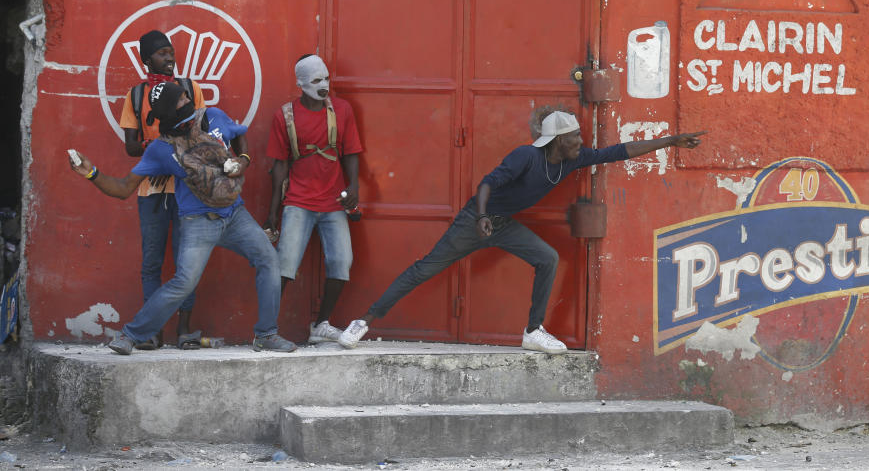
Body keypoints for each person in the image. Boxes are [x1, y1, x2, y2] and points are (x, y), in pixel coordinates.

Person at [337, 108, 706, 354]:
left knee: (547, 258)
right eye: (574, 137)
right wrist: (481, 216)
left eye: (579, 136)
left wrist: (671, 141)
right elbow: (486, 184)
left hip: (503, 226)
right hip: (475, 222)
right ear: (557, 140)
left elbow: (620, 151)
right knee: (425, 269)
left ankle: (532, 331)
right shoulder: (526, 157)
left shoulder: (574, 160)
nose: (581, 141)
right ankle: (362, 321)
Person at [68, 82, 296, 355]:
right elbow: (123, 188)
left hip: (235, 214)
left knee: (269, 260)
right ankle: (130, 336)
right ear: (167, 113)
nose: (188, 99)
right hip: (197, 222)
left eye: (186, 95)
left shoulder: (213, 116)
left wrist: (243, 160)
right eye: (180, 100)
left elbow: (239, 135)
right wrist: (91, 173)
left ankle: (266, 335)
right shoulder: (161, 149)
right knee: (183, 283)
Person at [264, 54, 363, 344]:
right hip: (298, 201)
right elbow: (279, 165)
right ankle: (266, 329)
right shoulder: (284, 116)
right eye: (316, 81)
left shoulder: (342, 110)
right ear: (301, 84)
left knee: (342, 262)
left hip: (334, 202)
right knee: (285, 265)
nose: (324, 86)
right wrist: (273, 213)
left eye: (327, 79)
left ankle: (321, 325)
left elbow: (351, 151)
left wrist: (353, 186)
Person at [118, 30, 207, 349]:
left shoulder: (190, 89)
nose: (170, 58)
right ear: (146, 59)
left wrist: (167, 159)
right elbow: (130, 146)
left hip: (186, 190)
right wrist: (157, 155)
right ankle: (151, 332)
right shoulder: (136, 96)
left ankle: (185, 330)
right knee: (152, 262)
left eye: (172, 52)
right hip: (150, 192)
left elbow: (202, 137)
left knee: (188, 261)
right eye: (162, 53)